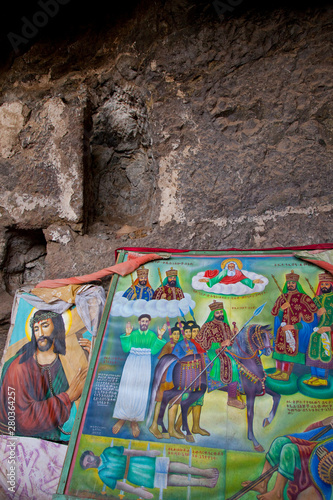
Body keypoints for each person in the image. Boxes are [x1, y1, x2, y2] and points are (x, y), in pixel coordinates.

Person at [0, 310, 87, 440]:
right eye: (36, 329)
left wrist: (93, 359)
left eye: (45, 326)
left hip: (58, 438)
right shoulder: (19, 366)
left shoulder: (67, 360)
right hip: (21, 442)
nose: (40, 334)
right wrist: (68, 397)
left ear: (57, 327)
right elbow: (25, 421)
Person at [241, 415, 333, 500]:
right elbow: (320, 425)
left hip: (322, 453)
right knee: (279, 442)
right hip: (316, 439)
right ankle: (262, 483)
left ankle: (278, 493)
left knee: (289, 450)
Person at [80, 446, 219, 498]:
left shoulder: (107, 451)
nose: (90, 462)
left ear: (91, 453)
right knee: (169, 480)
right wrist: (137, 491)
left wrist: (148, 453)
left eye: (88, 459)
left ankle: (204, 472)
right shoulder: (102, 475)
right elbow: (120, 486)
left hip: (140, 462)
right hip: (136, 476)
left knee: (170, 466)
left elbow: (130, 452)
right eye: (88, 465)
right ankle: (202, 482)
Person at [112, 314, 167, 438]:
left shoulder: (152, 335)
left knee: (140, 392)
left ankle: (134, 422)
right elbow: (126, 349)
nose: (144, 323)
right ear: (139, 322)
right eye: (142, 321)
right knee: (126, 389)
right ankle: (121, 419)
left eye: (147, 321)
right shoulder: (133, 334)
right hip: (131, 362)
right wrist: (127, 334)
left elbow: (153, 351)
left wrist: (159, 337)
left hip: (145, 364)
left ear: (149, 322)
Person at [195, 300, 244, 409]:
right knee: (231, 363)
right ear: (213, 314)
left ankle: (236, 390)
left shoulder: (226, 326)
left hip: (225, 351)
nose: (220, 314)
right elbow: (203, 344)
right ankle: (232, 399)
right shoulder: (207, 326)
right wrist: (220, 344)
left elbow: (230, 343)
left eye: (221, 312)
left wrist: (234, 334)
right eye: (217, 313)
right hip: (213, 352)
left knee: (238, 360)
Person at [270, 270, 318, 381]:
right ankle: (278, 371)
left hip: (295, 331)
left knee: (289, 351)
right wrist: (282, 308)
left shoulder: (304, 298)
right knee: (279, 350)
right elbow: (275, 313)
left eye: (292, 282)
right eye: (289, 283)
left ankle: (285, 374)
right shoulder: (282, 297)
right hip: (281, 330)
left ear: (297, 284)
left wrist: (294, 326)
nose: (290, 285)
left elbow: (310, 319)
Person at [149, 325, 181, 439]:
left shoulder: (180, 345)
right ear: (171, 335)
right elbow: (162, 359)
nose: (177, 336)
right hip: (165, 378)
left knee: (175, 402)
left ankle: (171, 429)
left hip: (176, 378)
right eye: (174, 334)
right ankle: (153, 426)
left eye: (178, 334)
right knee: (160, 401)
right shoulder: (168, 345)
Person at [303, 272, 333, 386]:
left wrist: (329, 328)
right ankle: (314, 376)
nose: (324, 286)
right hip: (315, 332)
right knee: (312, 352)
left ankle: (323, 379)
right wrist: (317, 314)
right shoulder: (317, 299)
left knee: (324, 353)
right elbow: (308, 316)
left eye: (327, 284)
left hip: (328, 333)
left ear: (331, 285)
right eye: (322, 284)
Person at [199, 260, 263, 289]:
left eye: (233, 266)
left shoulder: (238, 272)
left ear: (235, 267)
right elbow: (217, 278)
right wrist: (208, 281)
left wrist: (253, 282)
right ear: (227, 267)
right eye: (230, 266)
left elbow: (243, 279)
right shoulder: (224, 272)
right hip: (223, 281)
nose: (231, 268)